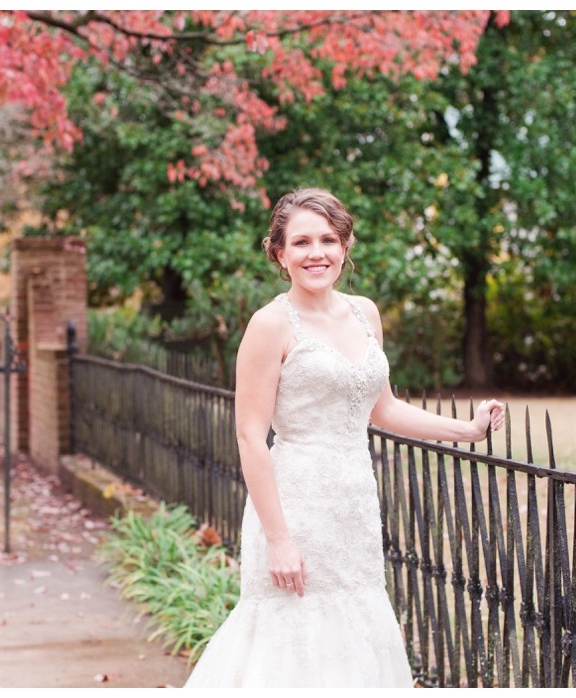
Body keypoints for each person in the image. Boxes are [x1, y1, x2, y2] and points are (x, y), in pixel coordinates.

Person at [183, 188, 504, 688]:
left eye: (329, 239)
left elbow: (384, 407)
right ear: (279, 253)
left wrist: (468, 429)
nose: (317, 253)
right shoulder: (269, 326)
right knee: (291, 644)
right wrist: (279, 540)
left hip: (353, 507)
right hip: (296, 507)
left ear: (345, 245)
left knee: (355, 637)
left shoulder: (364, 313)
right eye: (302, 242)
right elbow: (249, 435)